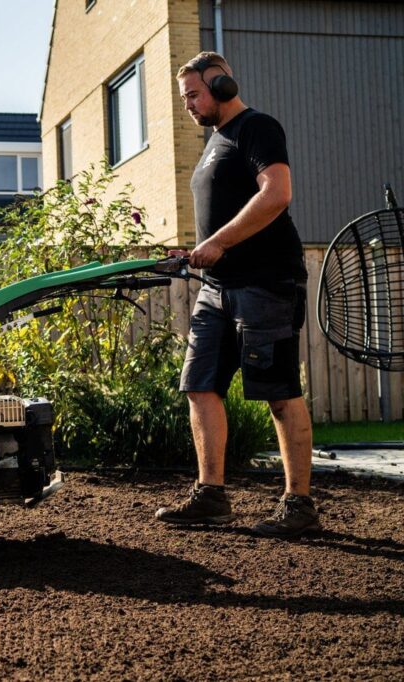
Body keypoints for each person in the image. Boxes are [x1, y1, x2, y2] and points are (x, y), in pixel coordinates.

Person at [154, 52, 319, 538]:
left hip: (266, 283)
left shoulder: (257, 128)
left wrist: (220, 242)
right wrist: (197, 250)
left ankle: (299, 503)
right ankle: (211, 496)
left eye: (193, 94)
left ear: (222, 85)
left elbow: (277, 193)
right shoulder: (213, 144)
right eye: (184, 97)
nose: (187, 104)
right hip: (217, 288)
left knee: (279, 391)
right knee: (199, 384)